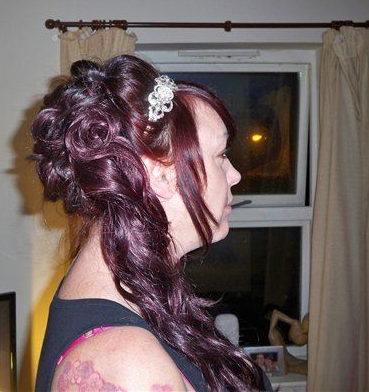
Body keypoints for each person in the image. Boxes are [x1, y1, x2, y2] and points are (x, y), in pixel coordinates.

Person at [32, 55, 269, 391]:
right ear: (161, 174)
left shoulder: (140, 287)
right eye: (221, 156)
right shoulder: (128, 368)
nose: (235, 175)